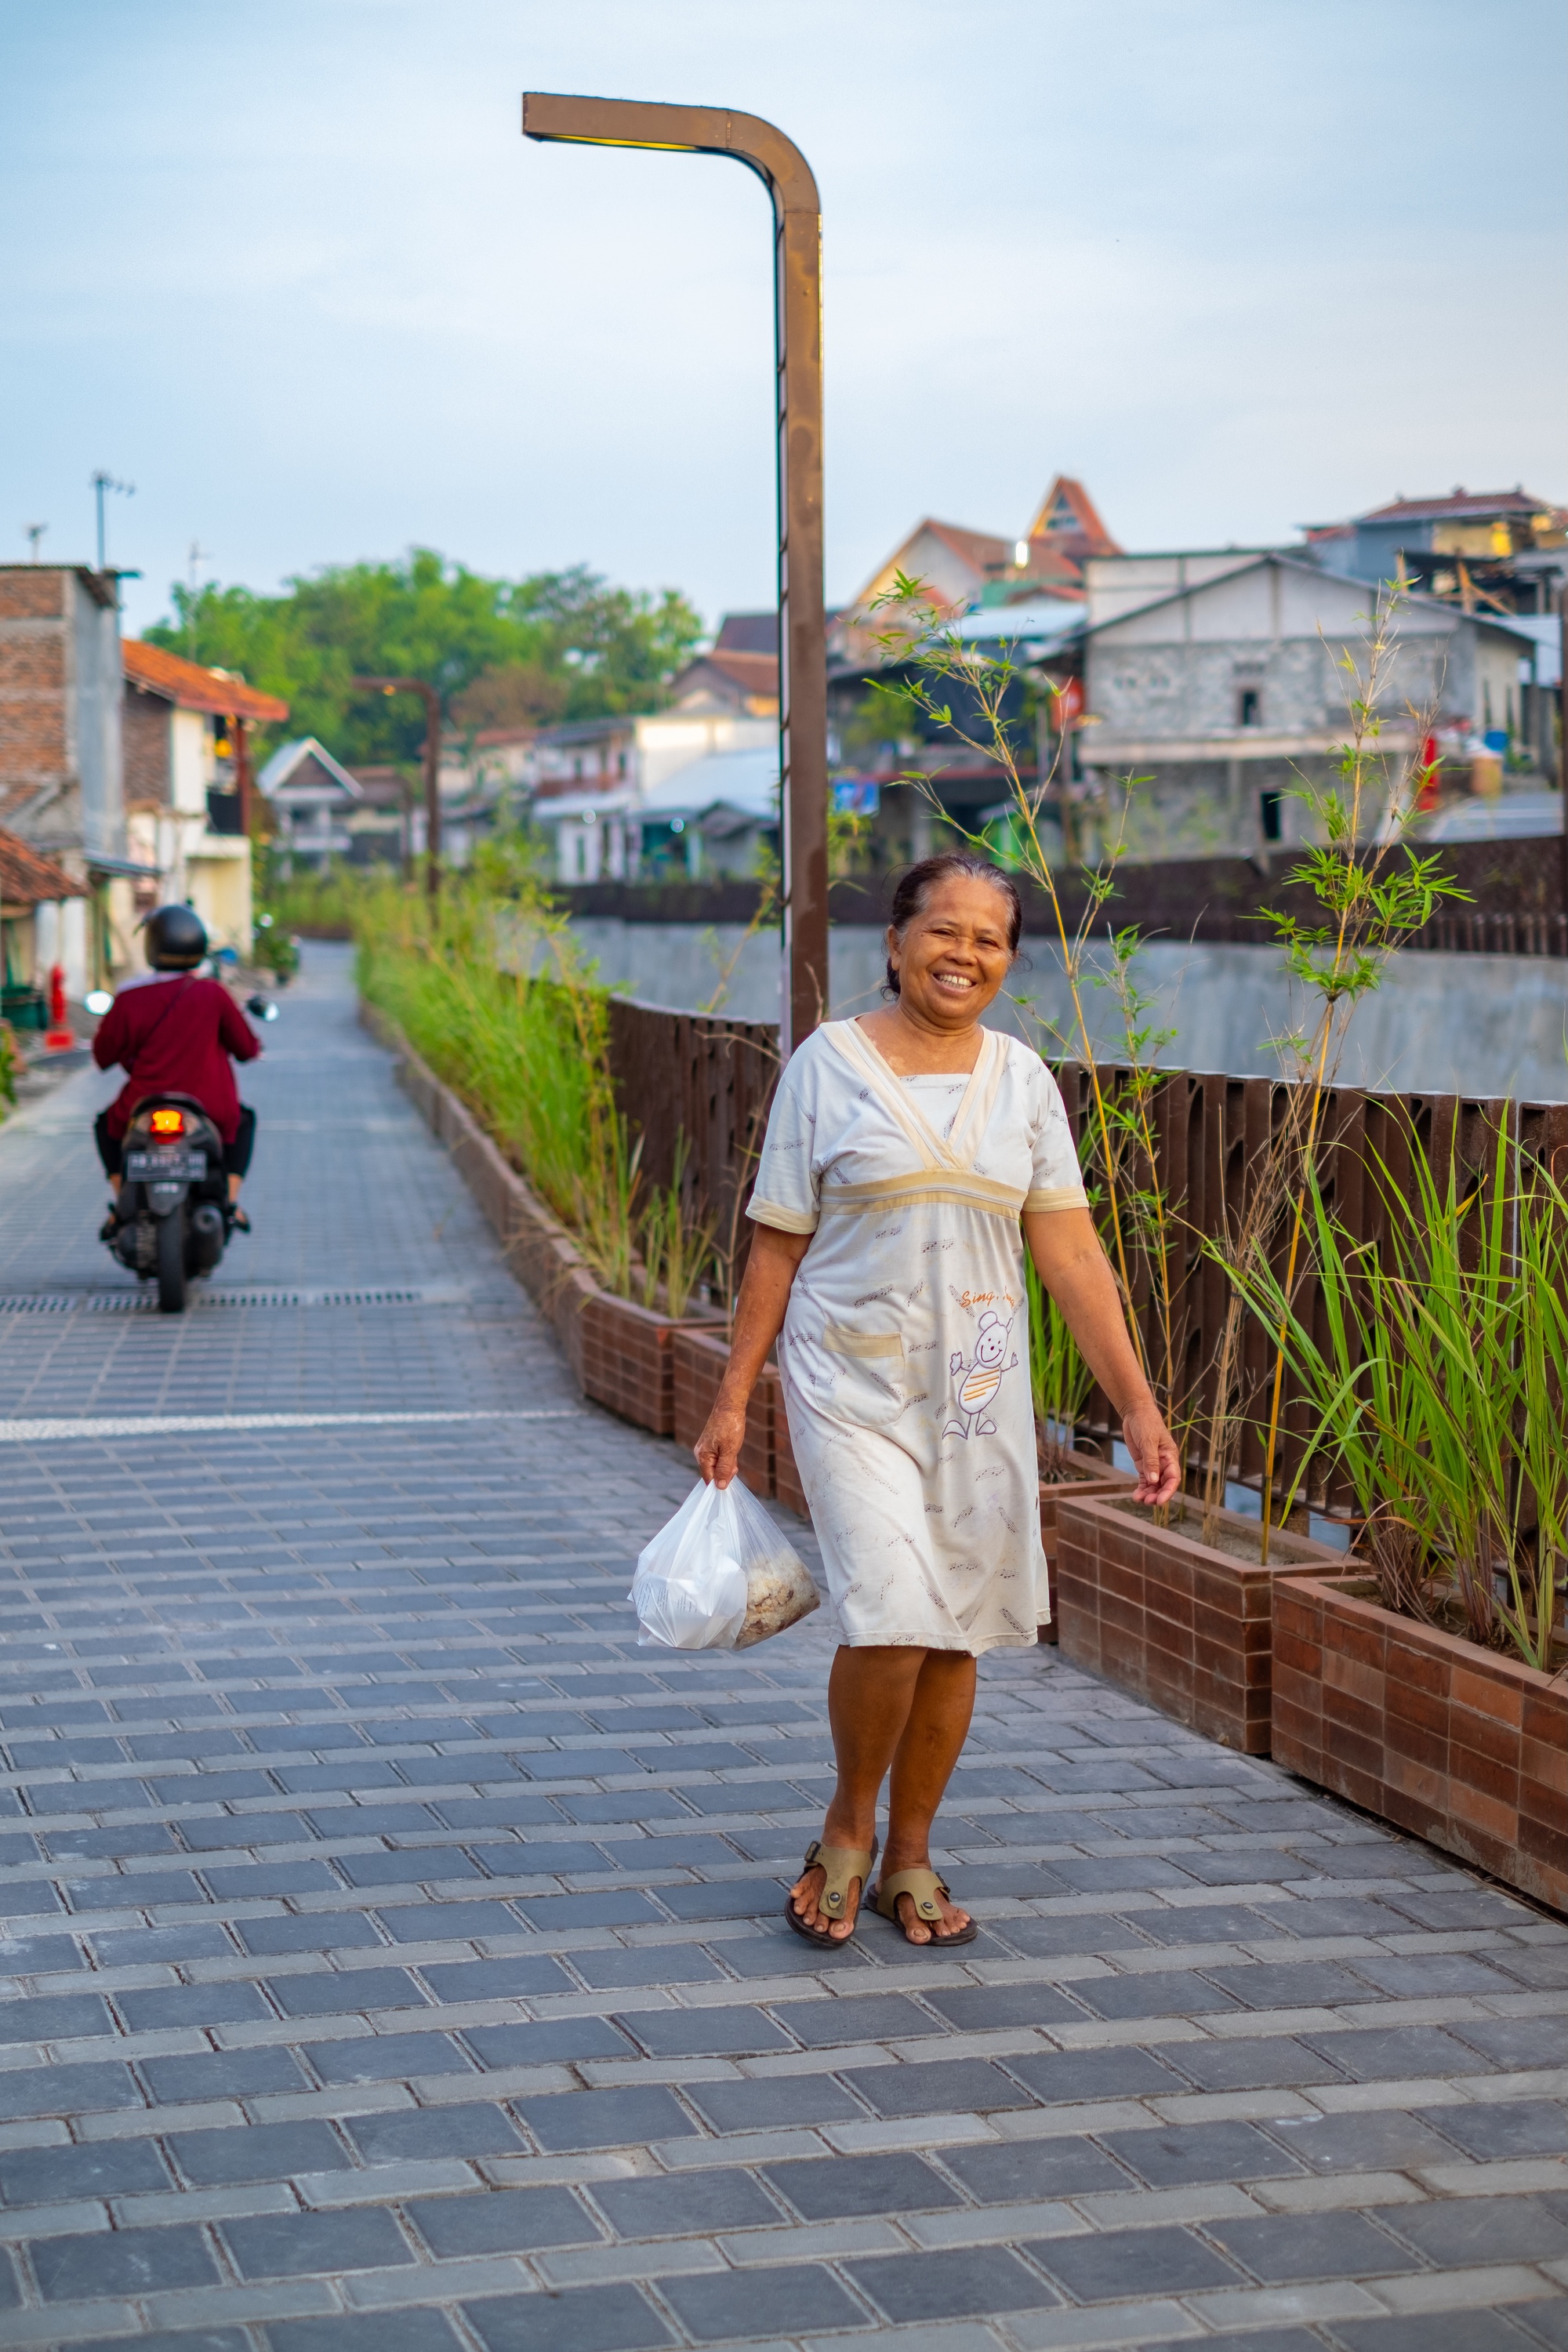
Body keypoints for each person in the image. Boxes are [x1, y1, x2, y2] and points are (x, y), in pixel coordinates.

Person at [695, 854, 1179, 1947]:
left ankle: (911, 1851)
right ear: (897, 942)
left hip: (978, 1387)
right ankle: (847, 1829)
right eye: (943, 931)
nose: (964, 954)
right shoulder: (827, 1067)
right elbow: (777, 1240)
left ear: (1009, 959)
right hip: (848, 1378)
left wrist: (1140, 1410)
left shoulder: (1021, 1082)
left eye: (989, 939)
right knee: (896, 1606)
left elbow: (1069, 1251)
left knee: (959, 1625)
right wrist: (733, 1397)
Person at [92, 905, 263, 1232]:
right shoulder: (213, 993)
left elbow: (102, 1057)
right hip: (211, 1107)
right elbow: (247, 1049)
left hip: (141, 1106)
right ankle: (229, 1201)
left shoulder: (129, 998)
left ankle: (121, 1204)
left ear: (152, 946)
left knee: (105, 1126)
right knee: (244, 1122)